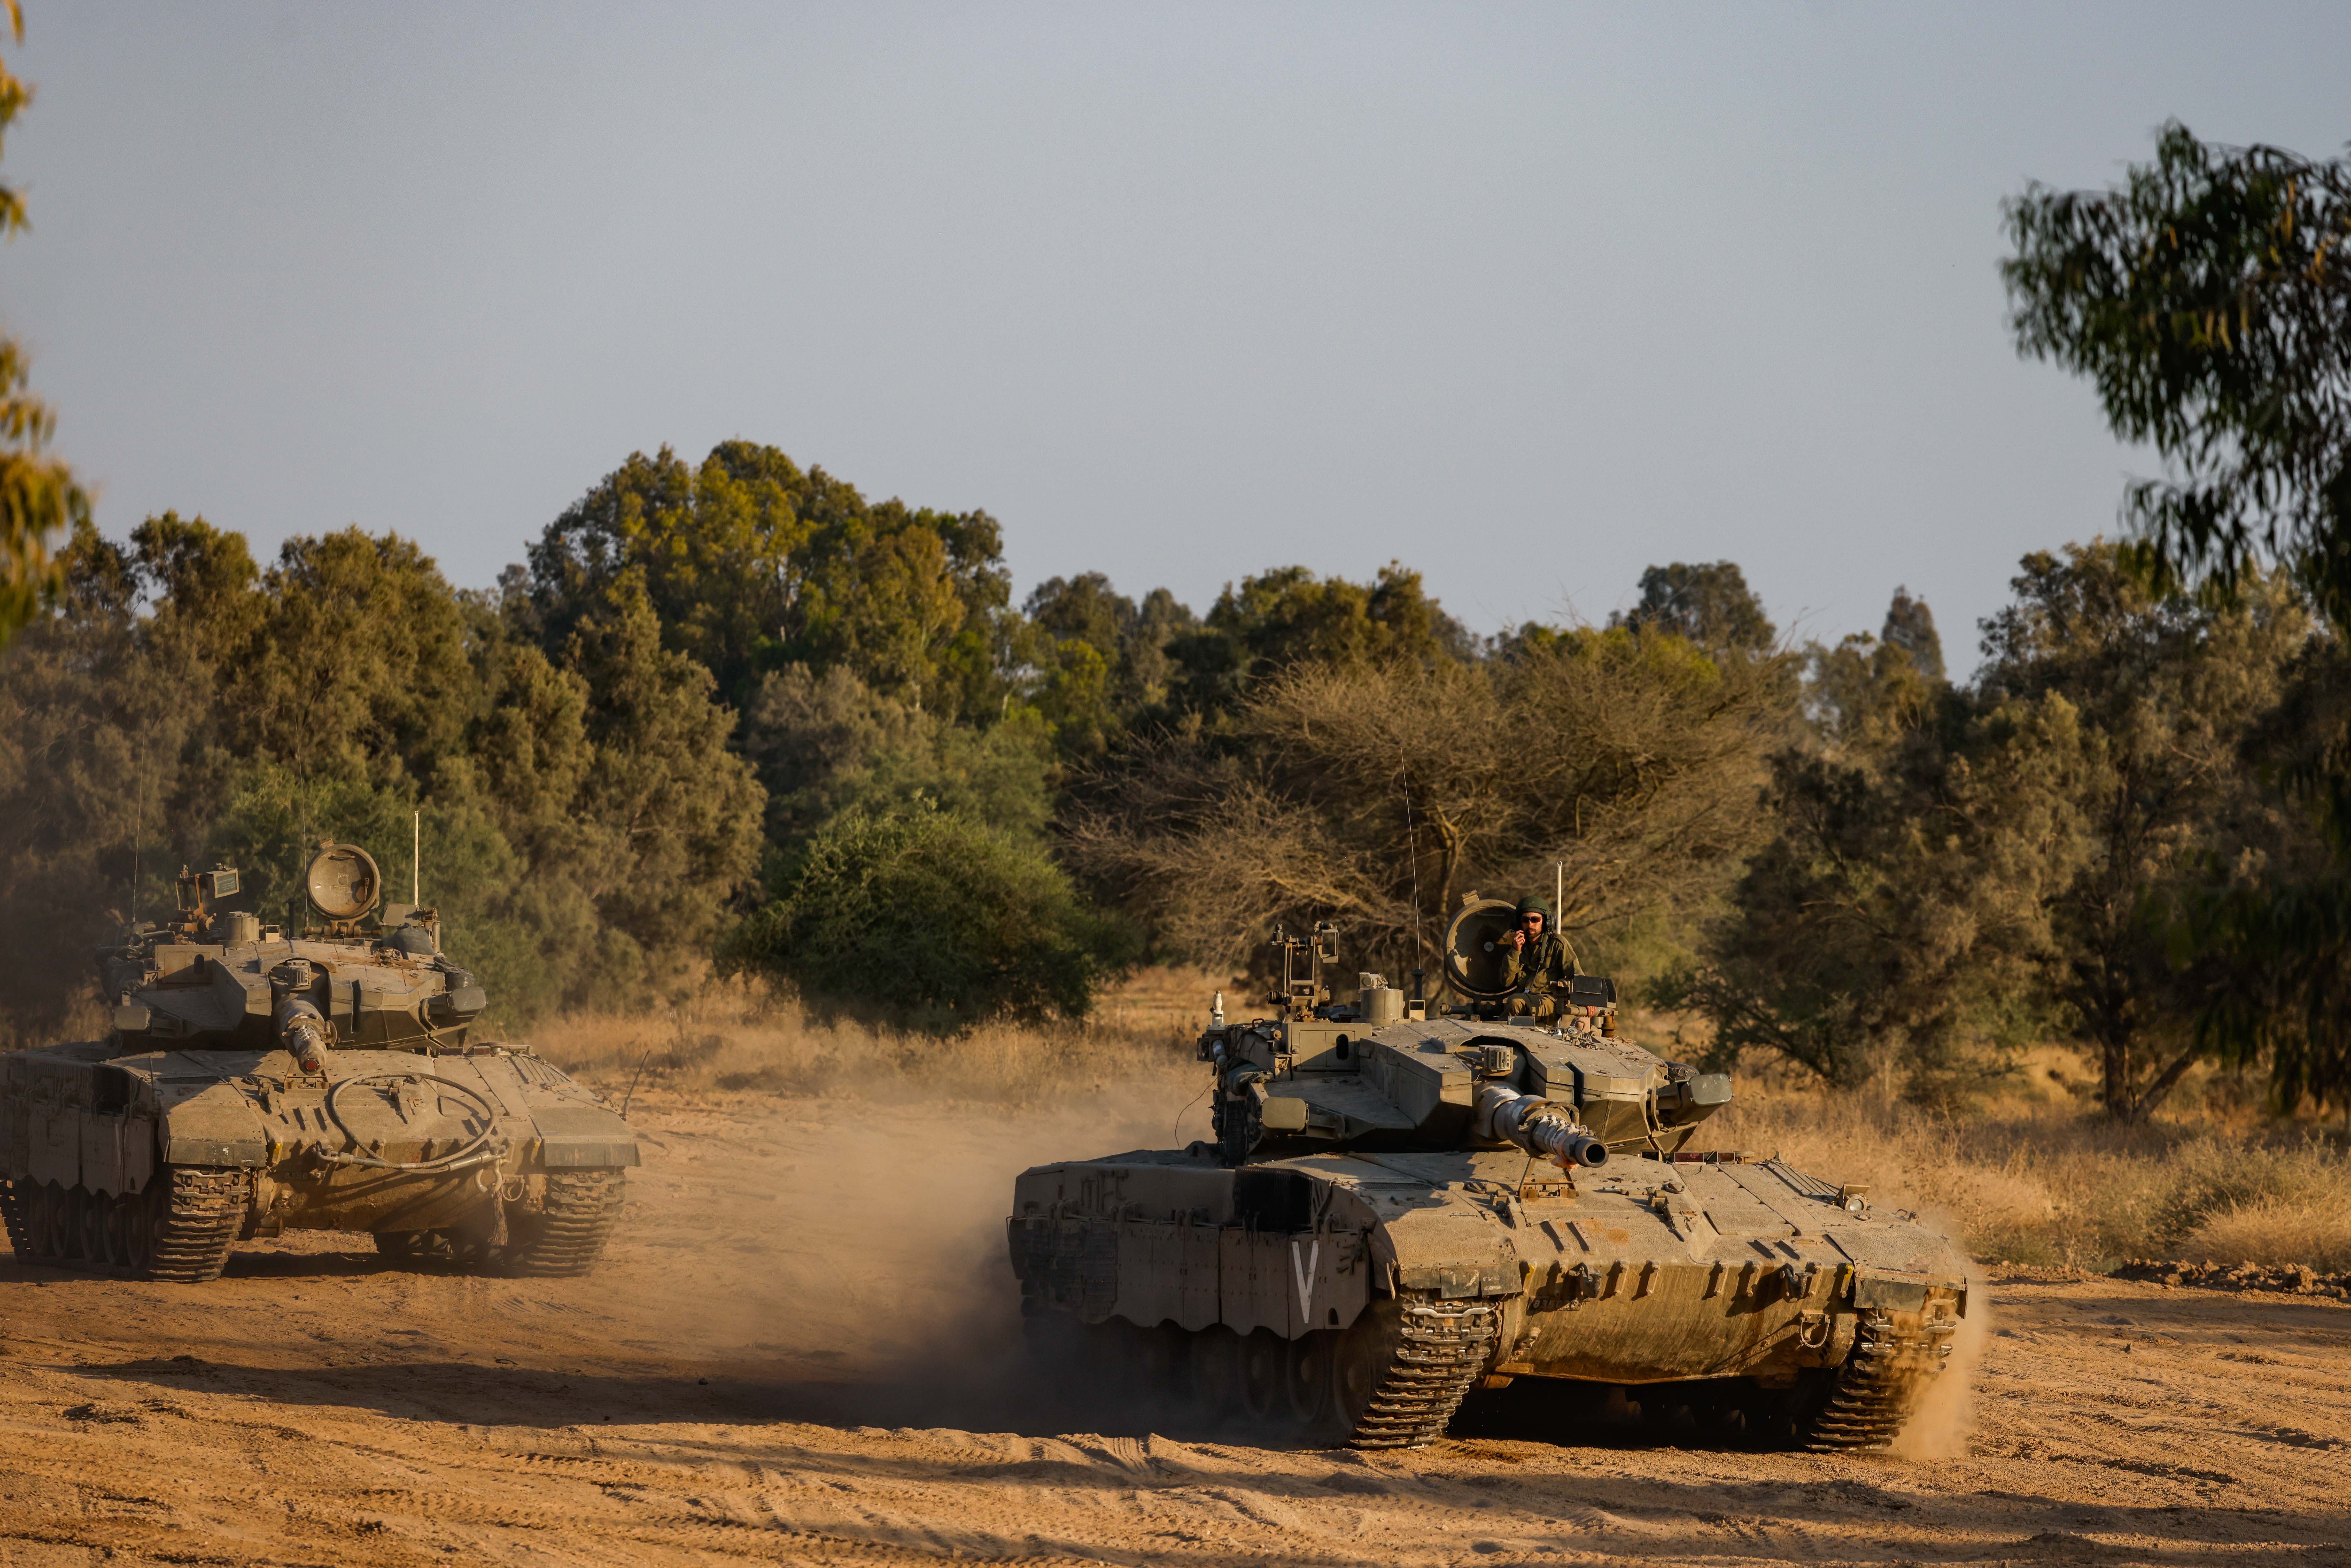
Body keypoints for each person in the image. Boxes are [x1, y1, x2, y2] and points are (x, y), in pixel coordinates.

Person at [1498, 896, 1574, 994]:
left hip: (1548, 1000)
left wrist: (1586, 999)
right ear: (1518, 923)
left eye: (1535, 920)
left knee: (1515, 1003)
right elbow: (1506, 982)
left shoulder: (1557, 945)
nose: (1530, 925)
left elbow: (1576, 975)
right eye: (1525, 920)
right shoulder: (1517, 945)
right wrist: (1515, 952)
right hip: (1521, 999)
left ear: (1547, 922)